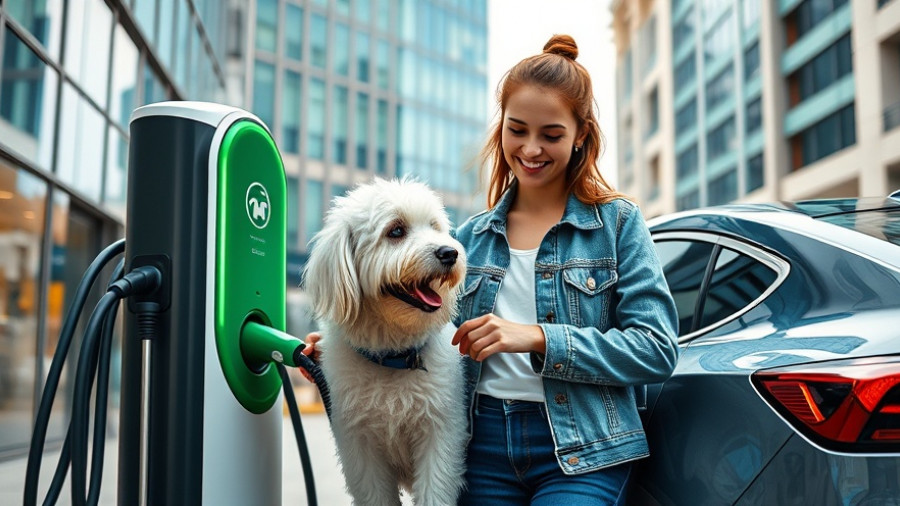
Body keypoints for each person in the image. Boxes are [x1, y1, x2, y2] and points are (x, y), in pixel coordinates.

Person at [449, 34, 679, 505]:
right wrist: (352, 349)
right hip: (479, 446)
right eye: (517, 130)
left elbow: (655, 350)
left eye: (551, 135)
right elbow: (430, 348)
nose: (531, 149)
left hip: (585, 447)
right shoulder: (466, 240)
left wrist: (537, 337)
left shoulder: (617, 224)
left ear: (580, 137)